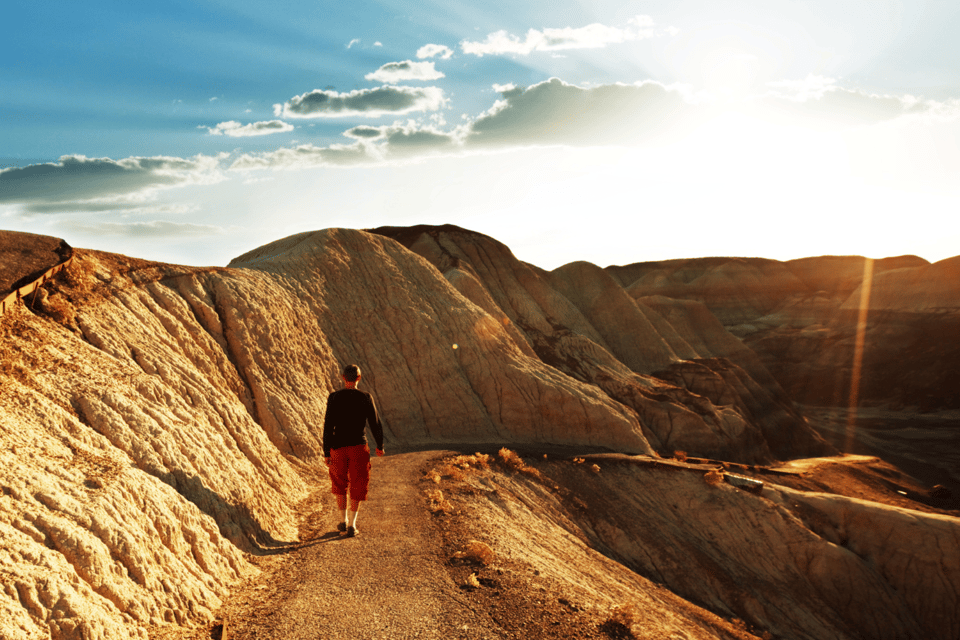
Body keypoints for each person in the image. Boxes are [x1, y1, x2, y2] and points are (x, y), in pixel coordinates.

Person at [322, 364, 385, 537]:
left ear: (343, 377)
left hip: (338, 447)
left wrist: (326, 451)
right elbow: (375, 423)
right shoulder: (365, 397)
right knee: (358, 483)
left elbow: (328, 425)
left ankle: (342, 521)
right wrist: (380, 445)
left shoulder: (334, 397)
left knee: (339, 483)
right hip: (358, 446)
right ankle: (352, 524)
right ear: (358, 378)